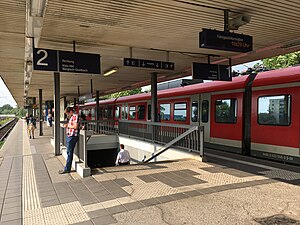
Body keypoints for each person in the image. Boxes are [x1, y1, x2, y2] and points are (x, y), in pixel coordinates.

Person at [59, 107, 79, 174]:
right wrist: (67, 125)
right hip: (70, 136)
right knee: (69, 152)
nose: (67, 115)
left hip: (72, 136)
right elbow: (72, 125)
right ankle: (67, 168)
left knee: (69, 153)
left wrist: (68, 126)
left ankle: (67, 168)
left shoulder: (75, 116)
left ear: (70, 111)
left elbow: (75, 126)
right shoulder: (72, 117)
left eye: (67, 113)